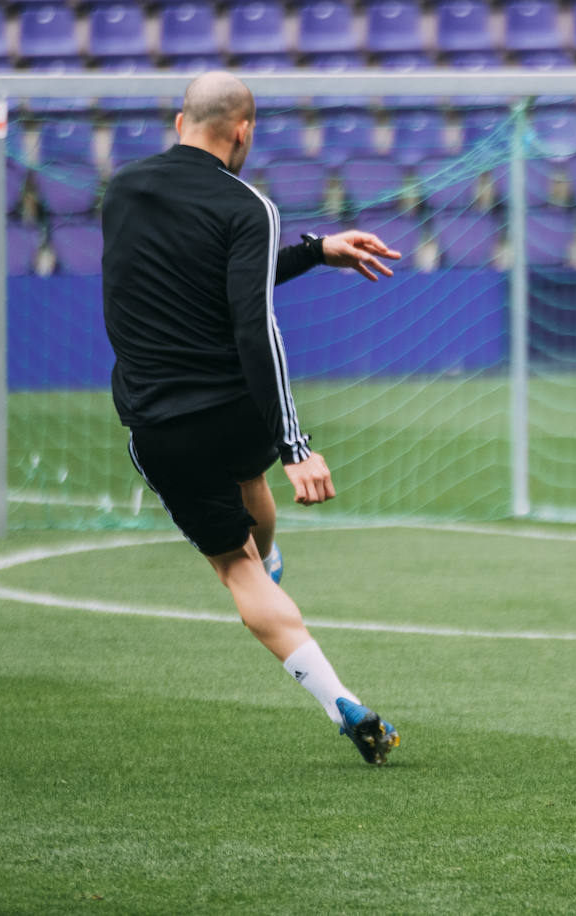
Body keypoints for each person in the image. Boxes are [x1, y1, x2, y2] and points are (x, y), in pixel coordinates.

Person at [101, 72, 404, 765]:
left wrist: (313, 251)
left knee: (235, 573)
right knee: (250, 481)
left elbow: (203, 271)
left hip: (161, 424)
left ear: (182, 121)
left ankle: (340, 701)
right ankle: (270, 563)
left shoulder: (121, 191)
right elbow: (252, 322)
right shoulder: (249, 206)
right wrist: (294, 444)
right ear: (243, 131)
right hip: (236, 412)